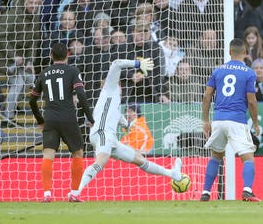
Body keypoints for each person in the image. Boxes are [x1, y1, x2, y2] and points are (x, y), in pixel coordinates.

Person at [74, 58, 183, 199]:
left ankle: (172, 174)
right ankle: (76, 191)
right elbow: (116, 63)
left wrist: (127, 125)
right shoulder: (109, 89)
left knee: (139, 159)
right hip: (102, 134)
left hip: (109, 138)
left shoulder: (114, 102)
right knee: (100, 161)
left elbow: (119, 118)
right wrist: (138, 64)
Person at [28, 43, 93, 203]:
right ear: (68, 55)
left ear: (51, 56)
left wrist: (40, 121)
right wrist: (90, 118)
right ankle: (74, 193)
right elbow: (81, 95)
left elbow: (32, 101)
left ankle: (47, 194)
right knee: (77, 153)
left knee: (48, 154)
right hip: (68, 118)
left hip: (50, 118)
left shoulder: (44, 73)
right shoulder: (73, 71)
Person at [200, 38, 260, 202]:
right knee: (248, 157)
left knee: (216, 156)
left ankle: (205, 192)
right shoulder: (248, 72)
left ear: (229, 52)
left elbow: (206, 96)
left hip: (218, 119)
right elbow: (252, 100)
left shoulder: (218, 70)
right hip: (237, 120)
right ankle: (247, 190)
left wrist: (205, 120)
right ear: (245, 53)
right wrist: (255, 123)